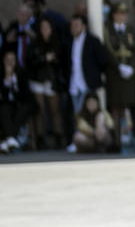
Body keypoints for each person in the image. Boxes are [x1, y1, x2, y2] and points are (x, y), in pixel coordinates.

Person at [67, 14, 108, 150]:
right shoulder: (69, 41)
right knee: (77, 114)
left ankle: (93, 139)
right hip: (74, 84)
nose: (74, 28)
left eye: (77, 25)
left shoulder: (92, 40)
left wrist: (95, 76)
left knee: (90, 114)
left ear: (83, 26)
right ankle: (80, 140)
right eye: (72, 26)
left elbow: (103, 60)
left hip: (88, 84)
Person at [26, 16, 66, 149]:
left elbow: (61, 61)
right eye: (42, 28)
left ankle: (59, 137)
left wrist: (52, 60)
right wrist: (44, 58)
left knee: (55, 110)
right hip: (37, 80)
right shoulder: (34, 43)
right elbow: (30, 61)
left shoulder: (57, 42)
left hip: (52, 80)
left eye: (47, 28)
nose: (45, 30)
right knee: (40, 110)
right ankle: (40, 138)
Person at [105, 2, 135, 141]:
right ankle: (116, 138)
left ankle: (127, 137)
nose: (121, 16)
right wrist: (118, 66)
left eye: (124, 14)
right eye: (119, 13)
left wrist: (132, 67)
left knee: (127, 106)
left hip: (129, 73)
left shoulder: (130, 29)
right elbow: (107, 50)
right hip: (115, 73)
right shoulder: (108, 30)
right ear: (113, 15)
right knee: (115, 106)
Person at [1, 48, 36, 153]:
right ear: (3, 61)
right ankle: (11, 139)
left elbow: (26, 95)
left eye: (12, 60)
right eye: (8, 60)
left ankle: (8, 139)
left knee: (23, 109)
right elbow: (3, 96)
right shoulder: (1, 74)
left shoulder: (22, 73)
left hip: (22, 104)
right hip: (7, 105)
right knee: (3, 109)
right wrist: (7, 78)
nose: (10, 63)